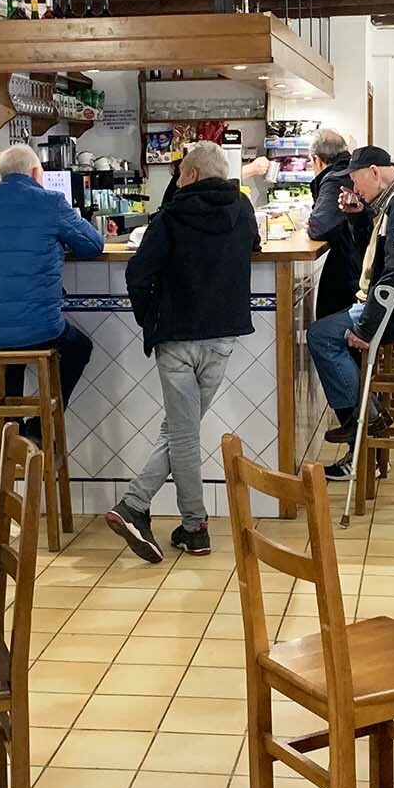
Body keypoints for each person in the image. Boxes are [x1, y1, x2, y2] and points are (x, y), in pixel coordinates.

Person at [106, 141, 259, 563]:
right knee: (181, 430)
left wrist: (148, 318)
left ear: (188, 175)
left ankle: (171, 518)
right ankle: (178, 523)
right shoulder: (242, 209)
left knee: (181, 431)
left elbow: (138, 273)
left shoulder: (170, 217)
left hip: (176, 339)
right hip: (222, 336)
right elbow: (254, 245)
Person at [305, 146, 394, 481]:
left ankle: (362, 421)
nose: (356, 190)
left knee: (322, 336)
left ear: (374, 171)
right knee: (331, 333)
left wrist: (366, 328)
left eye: (356, 182)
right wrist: (357, 214)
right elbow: (379, 251)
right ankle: (365, 419)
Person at [0, 143, 105, 441]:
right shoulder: (50, 202)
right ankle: (38, 430)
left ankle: (11, 442)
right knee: (79, 348)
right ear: (35, 172)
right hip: (40, 326)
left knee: (9, 354)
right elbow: (93, 245)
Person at [302, 129, 372, 317]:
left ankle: (333, 343)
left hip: (355, 268)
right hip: (363, 260)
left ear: (317, 160)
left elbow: (318, 227)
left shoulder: (335, 179)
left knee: (325, 318)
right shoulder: (349, 170)